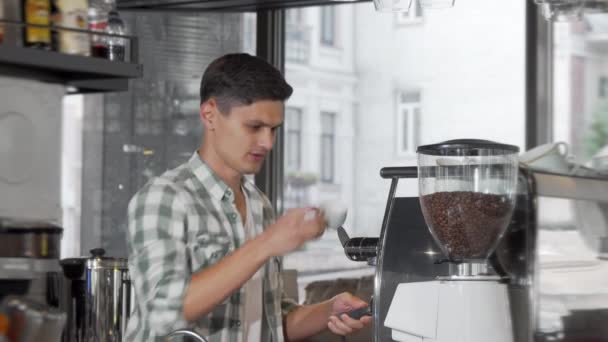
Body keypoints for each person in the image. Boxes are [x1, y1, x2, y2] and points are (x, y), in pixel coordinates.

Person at [125, 53, 372, 342]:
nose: (267, 142)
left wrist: (328, 311)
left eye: (274, 130)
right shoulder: (164, 198)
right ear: (210, 114)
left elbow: (270, 320)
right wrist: (267, 243)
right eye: (254, 127)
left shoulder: (259, 204)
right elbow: (161, 312)